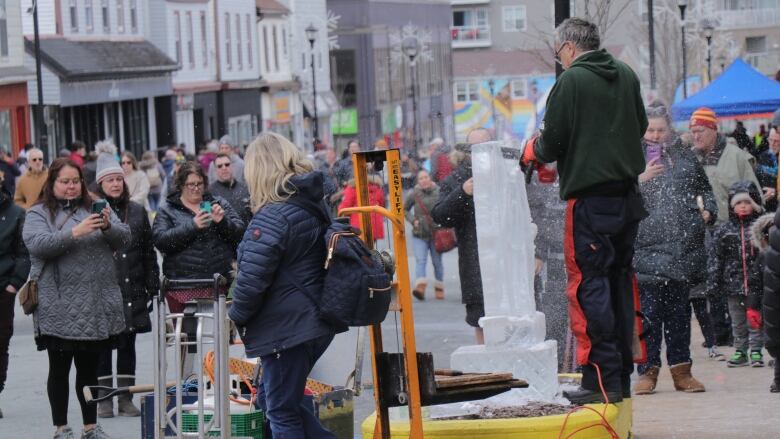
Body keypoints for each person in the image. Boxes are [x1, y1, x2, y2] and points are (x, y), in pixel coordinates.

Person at [521, 18, 648, 404]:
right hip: (627, 198)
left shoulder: (571, 81)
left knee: (589, 287)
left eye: (558, 53)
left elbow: (552, 141)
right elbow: (639, 124)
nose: (560, 60)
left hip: (591, 203)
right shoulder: (625, 74)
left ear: (570, 48)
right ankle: (620, 376)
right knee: (618, 284)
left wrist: (531, 150)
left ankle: (598, 379)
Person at [229, 132, 336, 439]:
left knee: (280, 410)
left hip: (288, 327)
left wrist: (236, 314)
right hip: (309, 321)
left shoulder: (273, 216)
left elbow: (251, 282)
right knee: (274, 401)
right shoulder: (308, 204)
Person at [23, 158, 131, 439]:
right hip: (57, 302)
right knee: (59, 369)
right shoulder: (38, 213)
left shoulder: (97, 205)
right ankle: (61, 427)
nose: (71, 187)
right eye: (64, 182)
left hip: (94, 301)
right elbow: (38, 245)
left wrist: (108, 227)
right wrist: (75, 232)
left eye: (75, 181)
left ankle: (90, 426)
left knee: (88, 370)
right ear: (52, 183)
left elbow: (125, 239)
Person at [632, 101, 715, 395]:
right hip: (645, 248)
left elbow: (705, 190)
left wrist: (709, 211)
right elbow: (616, 192)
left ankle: (682, 371)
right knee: (649, 317)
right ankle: (647, 372)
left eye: (660, 129)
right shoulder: (631, 157)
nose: (655, 135)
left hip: (681, 250)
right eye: (651, 130)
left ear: (669, 130)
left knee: (679, 316)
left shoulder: (685, 158)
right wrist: (638, 179)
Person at [91, 154, 159, 418]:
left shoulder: (138, 211)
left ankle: (125, 397)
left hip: (132, 286)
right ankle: (104, 399)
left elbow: (148, 252)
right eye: (110, 180)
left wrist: (152, 284)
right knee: (104, 344)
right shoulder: (92, 210)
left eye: (119, 179)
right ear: (101, 184)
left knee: (127, 344)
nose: (116, 184)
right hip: (102, 288)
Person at [690, 107, 763, 347]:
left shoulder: (736, 156)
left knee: (738, 284)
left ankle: (741, 335)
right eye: (692, 131)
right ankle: (717, 331)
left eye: (700, 130)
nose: (695, 136)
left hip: (734, 232)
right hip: (703, 232)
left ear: (713, 129)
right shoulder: (690, 159)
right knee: (709, 283)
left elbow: (754, 195)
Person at [152, 161, 244, 313]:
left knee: (221, 332)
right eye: (191, 184)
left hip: (218, 283)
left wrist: (222, 222)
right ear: (181, 185)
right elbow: (161, 241)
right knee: (185, 334)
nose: (196, 188)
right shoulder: (167, 210)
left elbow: (240, 234)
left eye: (199, 183)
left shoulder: (218, 203)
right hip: (182, 286)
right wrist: (192, 226)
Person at [432, 128, 492, 344]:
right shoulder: (455, 179)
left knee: (510, 318)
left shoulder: (507, 172)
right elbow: (440, 216)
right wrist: (462, 193)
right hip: (474, 262)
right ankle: (489, 370)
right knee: (480, 319)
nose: (477, 153)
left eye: (484, 147)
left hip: (504, 261)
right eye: (472, 148)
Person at [707, 181, 766, 368]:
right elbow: (716, 257)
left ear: (754, 205)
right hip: (733, 283)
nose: (742, 206)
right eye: (739, 203)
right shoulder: (724, 230)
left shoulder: (760, 227)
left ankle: (756, 350)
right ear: (732, 206)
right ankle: (740, 350)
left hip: (757, 285)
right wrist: (714, 282)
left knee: (755, 318)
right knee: (737, 320)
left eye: (747, 202)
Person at [0, 172, 30, 419]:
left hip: (2, 289)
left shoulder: (15, 214)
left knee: (0, 345)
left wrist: (13, 285)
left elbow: (23, 253)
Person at [404, 170, 444, 301]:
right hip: (419, 233)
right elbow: (404, 209)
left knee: (437, 262)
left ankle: (439, 287)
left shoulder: (439, 192)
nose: (424, 180)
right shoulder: (414, 194)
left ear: (430, 178)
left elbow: (446, 206)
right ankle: (420, 288)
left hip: (436, 233)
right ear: (418, 182)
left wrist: (443, 221)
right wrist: (412, 220)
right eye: (421, 178)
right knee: (421, 261)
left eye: (426, 177)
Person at [338, 171, 385, 241]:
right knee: (370, 247)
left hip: (358, 225)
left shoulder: (352, 188)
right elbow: (382, 204)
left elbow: (344, 207)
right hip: (375, 224)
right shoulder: (377, 187)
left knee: (360, 248)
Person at [208, 152, 252, 224]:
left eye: (227, 164)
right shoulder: (208, 192)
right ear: (215, 170)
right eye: (220, 166)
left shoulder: (246, 188)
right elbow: (207, 219)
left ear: (232, 166)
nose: (224, 168)